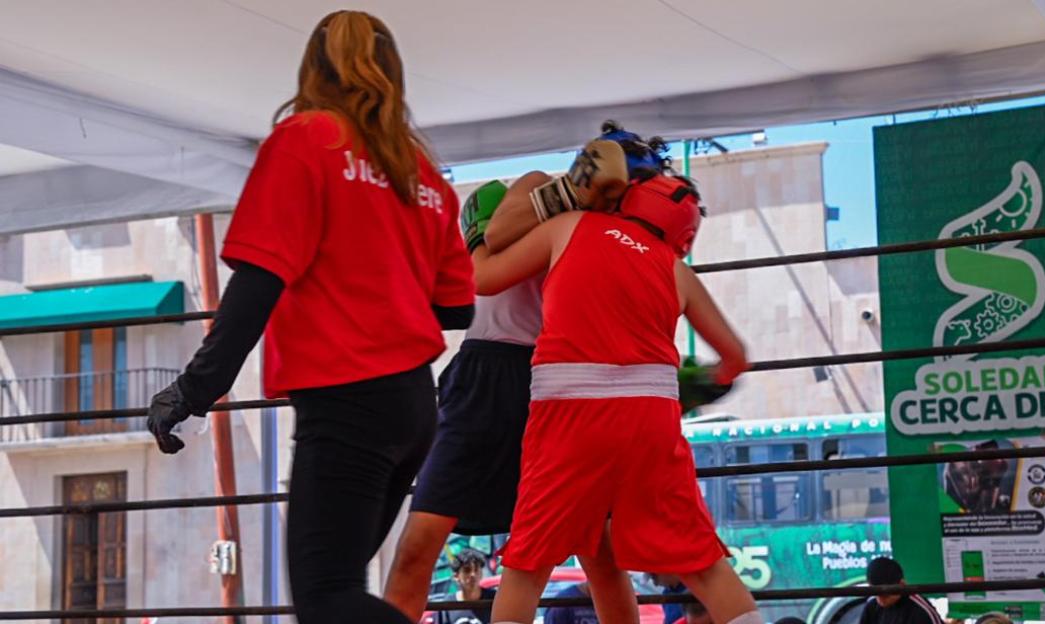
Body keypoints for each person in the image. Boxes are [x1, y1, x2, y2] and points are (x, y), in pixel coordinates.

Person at [143, 11, 473, 623]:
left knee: (326, 597)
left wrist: (191, 390)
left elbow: (257, 284)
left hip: (348, 399)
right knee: (341, 594)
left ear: (314, 67)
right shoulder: (421, 174)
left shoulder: (305, 141)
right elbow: (456, 306)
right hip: (412, 405)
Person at [384, 123, 681, 623]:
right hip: (486, 373)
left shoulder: (626, 240)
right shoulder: (540, 187)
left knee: (599, 553)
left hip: (568, 382)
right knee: (419, 542)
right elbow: (495, 237)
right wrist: (573, 189)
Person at [470, 173, 761, 624]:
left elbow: (483, 279)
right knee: (702, 564)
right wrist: (691, 387)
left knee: (529, 565)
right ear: (682, 235)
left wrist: (477, 239)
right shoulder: (673, 267)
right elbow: (735, 358)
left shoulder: (569, 225)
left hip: (567, 417)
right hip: (649, 419)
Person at [857, 557, 942, 624]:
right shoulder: (871, 606)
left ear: (902, 584)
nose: (880, 601)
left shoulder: (921, 611)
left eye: (886, 595)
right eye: (876, 594)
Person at [431, 548, 495, 624]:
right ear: (456, 576)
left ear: (481, 574)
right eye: (467, 570)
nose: (472, 574)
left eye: (476, 569)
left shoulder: (493, 599)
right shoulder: (447, 605)